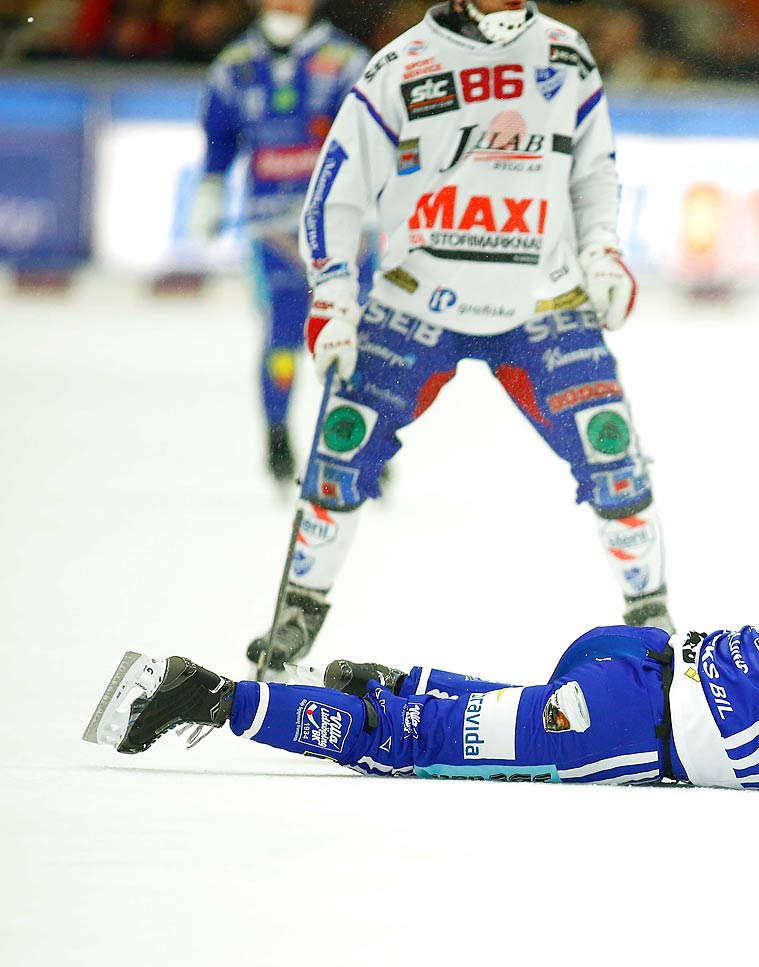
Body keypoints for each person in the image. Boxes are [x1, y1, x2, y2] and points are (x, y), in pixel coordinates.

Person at [86, 505, 759, 799]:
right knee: (406, 750)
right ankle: (207, 697)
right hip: (630, 732)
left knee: (461, 716)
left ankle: (403, 681)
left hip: (639, 668)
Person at [252, 0, 674, 683]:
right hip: (416, 300)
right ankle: (296, 617)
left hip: (545, 300)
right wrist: (332, 295)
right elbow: (337, 188)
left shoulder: (567, 54)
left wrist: (601, 252)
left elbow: (594, 172)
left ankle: (655, 625)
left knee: (614, 457)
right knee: (340, 452)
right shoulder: (400, 64)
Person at [193, 0, 369, 482]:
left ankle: (366, 440)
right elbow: (217, 140)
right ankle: (277, 439)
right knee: (283, 333)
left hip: (346, 229)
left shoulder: (348, 61)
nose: (285, 5)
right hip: (272, 228)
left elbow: (376, 138)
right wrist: (209, 189)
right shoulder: (233, 67)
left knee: (363, 333)